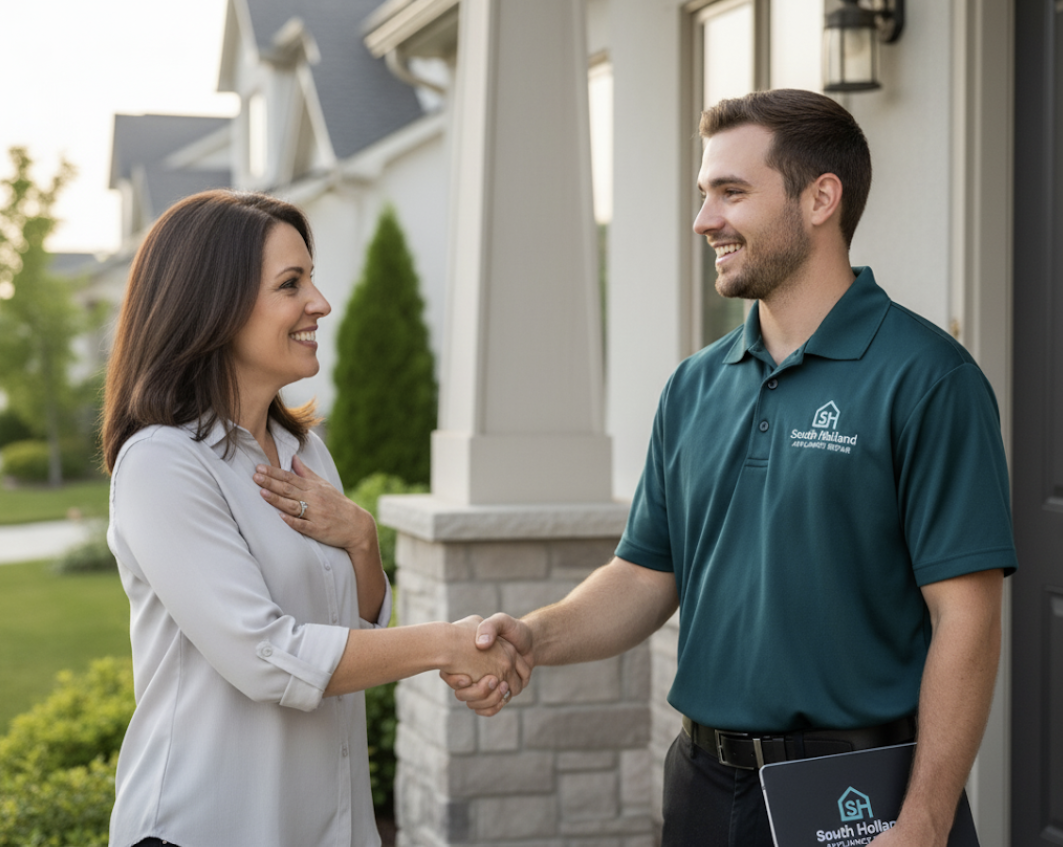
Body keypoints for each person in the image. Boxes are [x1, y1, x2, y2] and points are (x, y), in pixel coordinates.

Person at [445, 89, 1016, 847]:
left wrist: (925, 818)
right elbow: (647, 573)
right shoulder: (694, 385)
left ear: (819, 199)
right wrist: (532, 636)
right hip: (704, 788)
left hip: (859, 795)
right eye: (702, 193)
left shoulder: (927, 378)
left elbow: (966, 616)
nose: (703, 219)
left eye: (730, 192)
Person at [102, 189, 526, 847]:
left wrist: (362, 542)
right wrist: (445, 641)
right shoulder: (164, 464)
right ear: (214, 305)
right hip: (206, 827)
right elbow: (268, 656)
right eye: (290, 284)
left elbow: (350, 633)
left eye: (312, 278)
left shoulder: (305, 453)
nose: (320, 303)